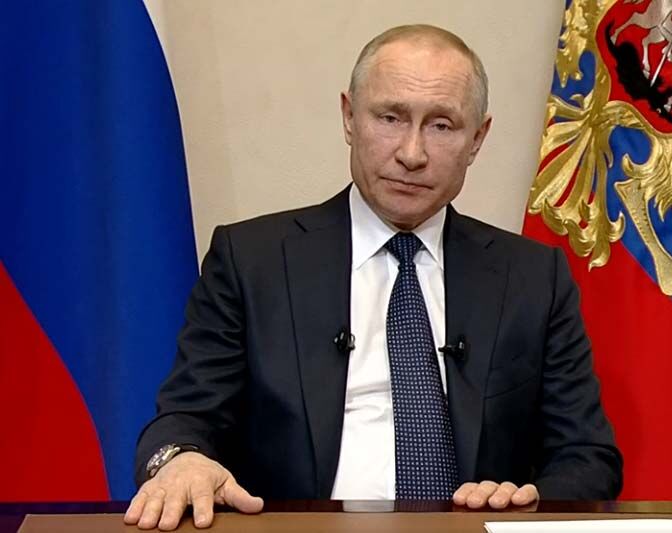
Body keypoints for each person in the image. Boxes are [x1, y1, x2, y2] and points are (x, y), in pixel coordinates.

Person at [124, 24, 622, 531]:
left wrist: (525, 503)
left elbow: (587, 458)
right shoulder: (252, 261)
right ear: (349, 117)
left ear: (477, 139)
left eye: (442, 125)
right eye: (390, 117)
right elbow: (185, 419)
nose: (412, 153)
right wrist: (181, 460)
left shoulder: (532, 276)